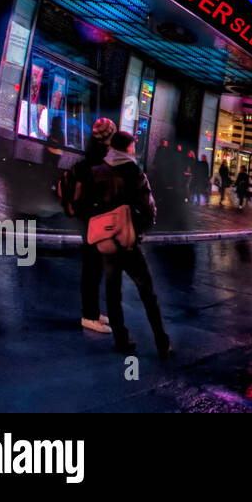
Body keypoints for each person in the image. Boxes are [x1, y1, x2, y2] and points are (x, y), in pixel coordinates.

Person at [76, 131, 170, 358]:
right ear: (127, 149)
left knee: (112, 292)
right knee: (147, 291)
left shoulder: (97, 171)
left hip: (106, 242)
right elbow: (149, 209)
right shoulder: (135, 172)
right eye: (132, 146)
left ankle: (122, 340)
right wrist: (139, 231)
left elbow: (85, 206)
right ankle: (161, 341)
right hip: (128, 241)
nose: (134, 150)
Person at [56, 117, 117, 334]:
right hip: (94, 217)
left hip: (88, 216)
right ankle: (89, 316)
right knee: (93, 267)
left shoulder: (92, 155)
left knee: (94, 266)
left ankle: (92, 311)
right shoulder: (101, 159)